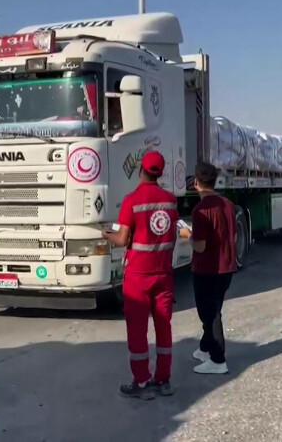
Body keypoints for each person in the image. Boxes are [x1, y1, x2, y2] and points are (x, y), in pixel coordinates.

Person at [102, 151, 178, 400]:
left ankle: (142, 382)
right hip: (163, 274)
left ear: (141, 170)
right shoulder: (170, 201)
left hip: (138, 276)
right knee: (163, 326)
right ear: (160, 173)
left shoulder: (132, 200)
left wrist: (106, 234)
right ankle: (163, 380)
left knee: (137, 330)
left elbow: (123, 239)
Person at [179, 162, 236, 375]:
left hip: (207, 269)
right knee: (214, 309)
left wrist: (187, 235)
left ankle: (218, 360)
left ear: (196, 183)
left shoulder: (200, 210)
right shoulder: (228, 204)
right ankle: (204, 348)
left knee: (210, 315)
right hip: (226, 266)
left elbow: (200, 246)